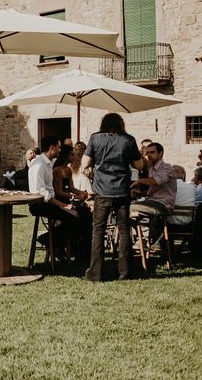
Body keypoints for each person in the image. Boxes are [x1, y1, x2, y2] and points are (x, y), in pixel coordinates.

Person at [82, 113, 143, 281]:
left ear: (104, 123)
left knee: (98, 231)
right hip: (122, 191)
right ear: (121, 124)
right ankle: (125, 272)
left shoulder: (95, 138)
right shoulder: (128, 140)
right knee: (124, 230)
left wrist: (93, 166)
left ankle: (95, 273)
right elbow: (139, 165)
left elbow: (84, 163)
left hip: (102, 191)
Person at [28, 136, 89, 262]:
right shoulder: (39, 165)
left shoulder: (47, 164)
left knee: (82, 214)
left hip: (49, 202)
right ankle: (48, 239)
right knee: (75, 216)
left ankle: (73, 251)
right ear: (52, 147)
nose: (60, 150)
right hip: (40, 204)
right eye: (59, 147)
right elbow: (43, 194)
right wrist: (63, 205)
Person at [129, 142, 177, 246]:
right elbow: (154, 190)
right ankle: (144, 237)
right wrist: (140, 194)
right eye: (147, 153)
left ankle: (145, 238)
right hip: (152, 202)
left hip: (163, 205)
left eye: (152, 152)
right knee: (123, 210)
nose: (149, 155)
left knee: (125, 208)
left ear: (161, 153)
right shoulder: (152, 169)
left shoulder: (167, 167)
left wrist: (139, 181)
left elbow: (157, 181)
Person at [52, 144, 92, 261]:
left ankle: (82, 252)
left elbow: (72, 187)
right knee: (78, 216)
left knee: (87, 216)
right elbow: (59, 192)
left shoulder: (68, 170)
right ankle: (61, 245)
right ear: (65, 155)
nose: (74, 156)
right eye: (71, 154)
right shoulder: (57, 170)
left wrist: (83, 193)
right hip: (60, 201)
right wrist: (76, 197)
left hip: (69, 198)